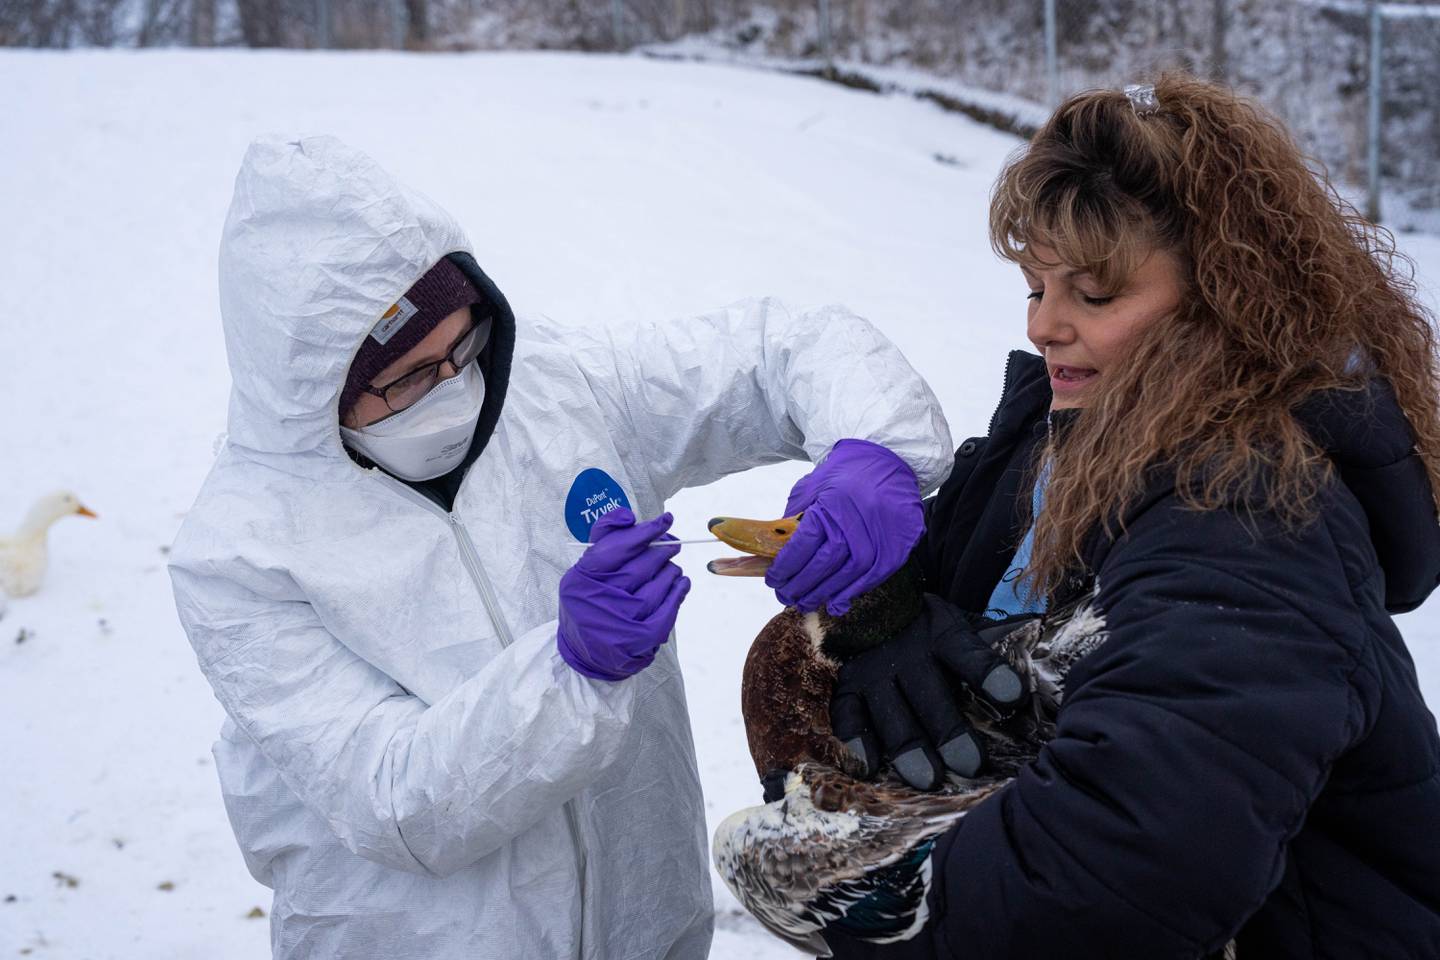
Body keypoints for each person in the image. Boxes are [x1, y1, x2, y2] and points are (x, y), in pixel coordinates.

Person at [165, 134, 980, 959]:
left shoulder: (558, 392)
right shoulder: (240, 558)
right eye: (408, 379)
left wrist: (874, 450)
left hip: (644, 923)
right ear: (315, 392)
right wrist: (569, 671)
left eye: (464, 347)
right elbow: (393, 801)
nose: (454, 389)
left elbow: (777, 352)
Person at [823, 74, 1440, 957]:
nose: (1044, 325)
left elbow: (1122, 869)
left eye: (1094, 295)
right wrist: (881, 606)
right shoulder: (1064, 430)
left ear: (1225, 299)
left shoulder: (1253, 505)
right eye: (1035, 287)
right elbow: (952, 579)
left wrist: (892, 919)